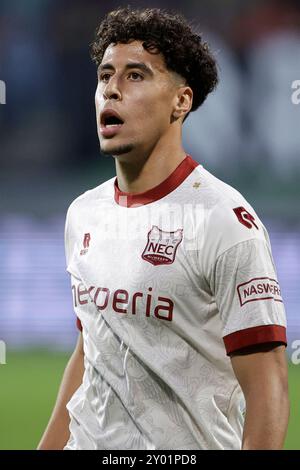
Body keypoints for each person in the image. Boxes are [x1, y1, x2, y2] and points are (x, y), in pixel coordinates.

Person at [38, 7, 289, 450]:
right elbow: (89, 353)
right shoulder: (83, 213)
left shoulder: (225, 221)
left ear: (181, 101)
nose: (111, 89)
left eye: (135, 76)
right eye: (105, 75)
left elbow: (268, 388)